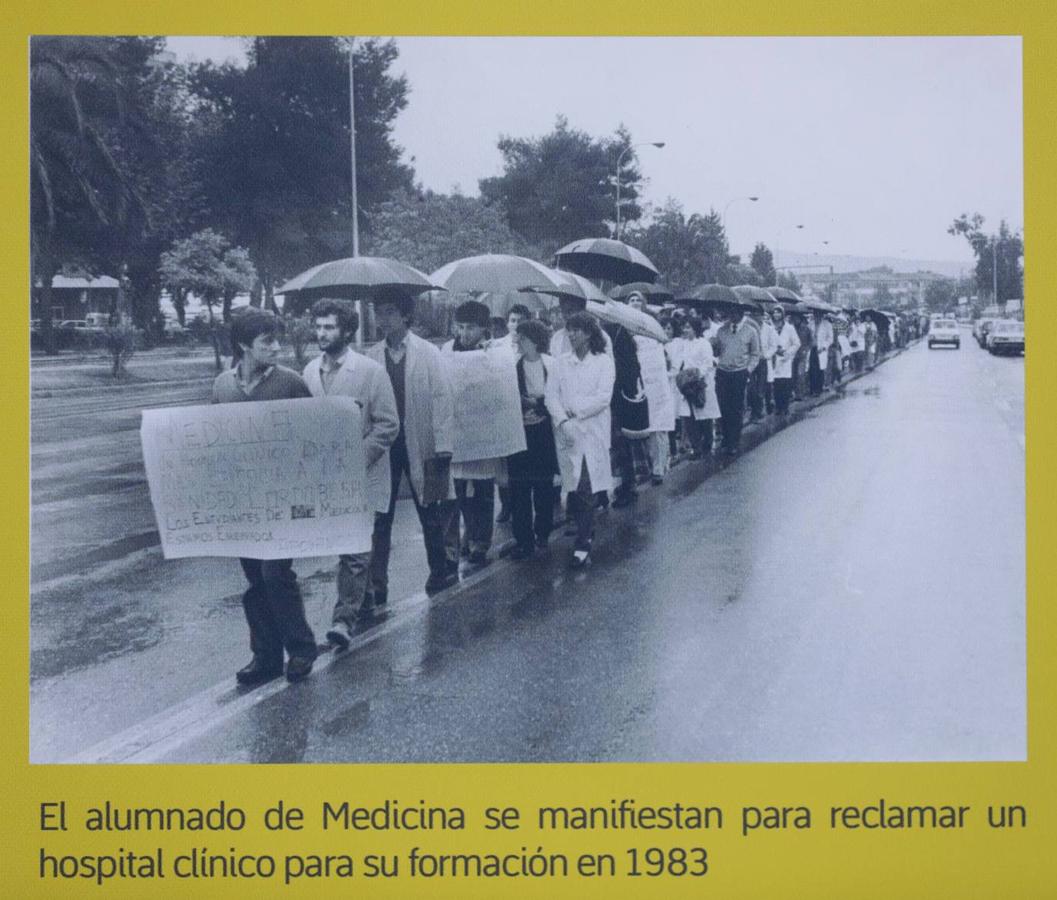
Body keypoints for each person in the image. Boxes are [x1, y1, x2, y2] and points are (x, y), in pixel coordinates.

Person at [211, 309, 317, 685]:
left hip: (282, 499)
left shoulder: (291, 382)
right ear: (243, 346)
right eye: (266, 341)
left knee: (276, 575)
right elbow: (213, 440)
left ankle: (302, 649)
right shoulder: (223, 386)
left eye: (277, 339)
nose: (275, 347)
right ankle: (266, 657)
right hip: (243, 500)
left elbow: (314, 436)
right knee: (255, 579)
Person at [302, 299, 399, 646]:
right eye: (319, 326)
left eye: (329, 327)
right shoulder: (310, 372)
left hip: (363, 474)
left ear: (346, 330)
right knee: (346, 543)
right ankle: (367, 600)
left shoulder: (371, 373)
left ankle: (343, 621)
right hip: (328, 477)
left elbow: (388, 425)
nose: (322, 333)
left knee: (354, 549)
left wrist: (357, 459)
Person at [366, 288, 458, 598]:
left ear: (406, 315)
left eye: (390, 311)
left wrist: (444, 445)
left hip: (423, 443)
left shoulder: (428, 353)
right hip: (384, 447)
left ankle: (440, 571)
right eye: (379, 312)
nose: (383, 318)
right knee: (380, 517)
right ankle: (377, 584)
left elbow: (443, 399)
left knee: (430, 510)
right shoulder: (372, 356)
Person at [545, 312, 615, 569]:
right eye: (568, 330)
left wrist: (576, 410)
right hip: (566, 431)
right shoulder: (560, 363)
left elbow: (603, 397)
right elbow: (550, 396)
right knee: (572, 485)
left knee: (585, 484)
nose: (571, 335)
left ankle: (583, 542)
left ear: (588, 333)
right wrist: (563, 420)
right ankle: (583, 526)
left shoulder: (603, 362)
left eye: (576, 330)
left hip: (592, 430)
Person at [442, 300, 502, 568]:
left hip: (484, 431)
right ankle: (462, 538)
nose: (464, 334)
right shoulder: (447, 350)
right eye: (461, 327)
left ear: (484, 329)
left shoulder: (495, 352)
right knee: (457, 491)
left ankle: (481, 541)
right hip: (458, 430)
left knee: (483, 491)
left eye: (470, 328)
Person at [506, 319, 560, 559]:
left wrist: (537, 404)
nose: (519, 342)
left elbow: (558, 396)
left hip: (543, 432)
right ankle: (523, 540)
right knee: (519, 488)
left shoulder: (551, 365)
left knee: (543, 486)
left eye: (524, 338)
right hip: (519, 433)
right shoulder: (512, 366)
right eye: (518, 338)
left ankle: (543, 531)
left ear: (536, 341)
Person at [625, 291, 676, 484]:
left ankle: (659, 468)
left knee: (658, 427)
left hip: (656, 381)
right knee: (640, 427)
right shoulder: (623, 328)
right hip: (637, 381)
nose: (635, 302)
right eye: (632, 299)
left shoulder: (652, 324)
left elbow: (664, 348)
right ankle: (643, 468)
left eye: (638, 299)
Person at [712, 302, 761, 456]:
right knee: (723, 407)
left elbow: (755, 354)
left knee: (736, 408)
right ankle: (726, 438)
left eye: (735, 313)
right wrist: (713, 346)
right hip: (722, 372)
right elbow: (717, 352)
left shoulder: (750, 331)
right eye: (729, 313)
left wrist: (748, 370)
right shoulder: (721, 331)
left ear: (741, 314)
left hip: (739, 373)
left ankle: (734, 441)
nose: (731, 316)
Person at [672, 316, 720, 458]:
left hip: (700, 384)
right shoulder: (683, 344)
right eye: (684, 327)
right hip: (686, 385)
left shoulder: (703, 343)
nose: (685, 330)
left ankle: (707, 444)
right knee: (688, 418)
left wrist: (696, 375)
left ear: (695, 329)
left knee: (704, 417)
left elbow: (708, 364)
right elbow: (678, 362)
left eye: (688, 327)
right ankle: (696, 448)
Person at [769, 304, 801, 416]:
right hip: (774, 359)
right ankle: (778, 407)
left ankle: (785, 406)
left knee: (785, 384)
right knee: (776, 385)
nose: (776, 314)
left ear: (783, 314)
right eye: (774, 312)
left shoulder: (789, 328)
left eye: (778, 312)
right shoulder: (770, 328)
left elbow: (797, 343)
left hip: (786, 359)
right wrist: (774, 349)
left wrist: (787, 352)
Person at [809, 309, 833, 396]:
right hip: (812, 348)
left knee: (819, 370)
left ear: (822, 315)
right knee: (812, 369)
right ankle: (812, 389)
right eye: (815, 314)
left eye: (819, 315)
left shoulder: (827, 324)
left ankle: (818, 390)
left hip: (821, 350)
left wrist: (824, 347)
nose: (817, 317)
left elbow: (830, 339)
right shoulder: (810, 324)